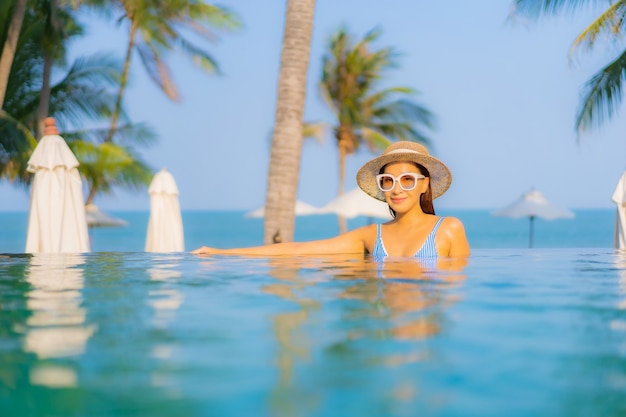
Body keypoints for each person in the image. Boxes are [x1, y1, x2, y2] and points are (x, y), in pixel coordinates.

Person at [192, 141, 470, 259]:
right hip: (385, 330)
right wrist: (223, 254)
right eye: (388, 181)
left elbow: (458, 293)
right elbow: (299, 251)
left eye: (407, 179)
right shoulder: (371, 236)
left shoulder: (448, 229)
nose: (397, 189)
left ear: (424, 185)